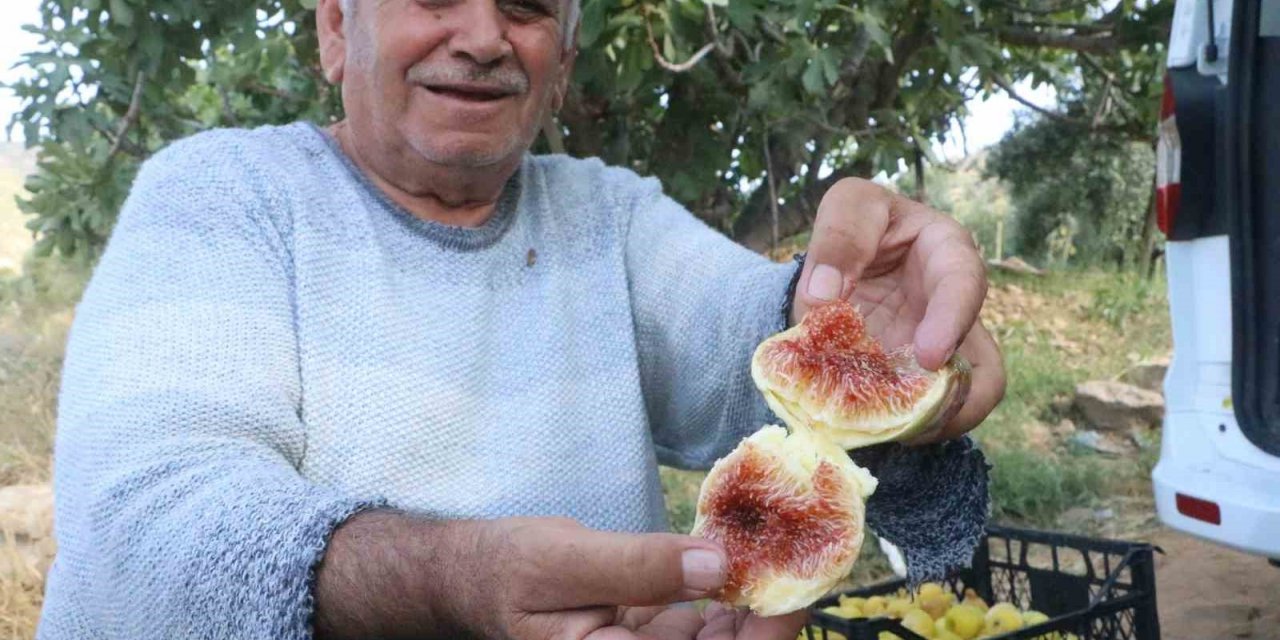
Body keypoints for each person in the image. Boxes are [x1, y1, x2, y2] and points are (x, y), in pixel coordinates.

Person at [36, 0, 1004, 637]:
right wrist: (448, 577)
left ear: (562, 59)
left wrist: (876, 336)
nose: (484, 36)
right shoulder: (221, 194)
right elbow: (152, 516)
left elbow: (743, 348)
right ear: (337, 28)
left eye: (527, 8)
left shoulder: (603, 214)